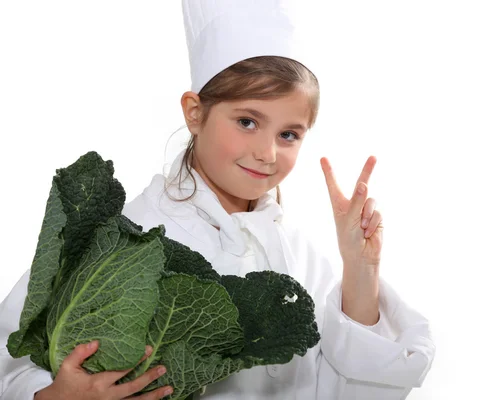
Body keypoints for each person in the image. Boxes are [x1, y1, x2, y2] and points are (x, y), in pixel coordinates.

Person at [0, 1, 435, 399]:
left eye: (288, 134)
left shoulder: (302, 255)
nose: (267, 153)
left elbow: (348, 390)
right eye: (247, 121)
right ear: (195, 112)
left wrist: (361, 268)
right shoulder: (122, 239)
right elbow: (13, 357)